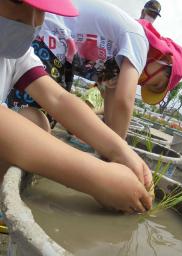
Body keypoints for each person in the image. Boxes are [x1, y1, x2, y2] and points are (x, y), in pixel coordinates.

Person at [0, 0, 153, 214]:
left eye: (42, 11)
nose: (33, 22)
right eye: (17, 2)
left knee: (37, 121)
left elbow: (58, 98)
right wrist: (97, 176)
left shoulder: (15, 53)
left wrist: (120, 150)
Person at [36, 0, 182, 140]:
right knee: (38, 120)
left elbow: (111, 101)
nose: (144, 84)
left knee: (48, 119)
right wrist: (118, 154)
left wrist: (109, 140)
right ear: (166, 60)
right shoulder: (139, 42)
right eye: (155, 84)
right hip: (49, 32)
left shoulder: (121, 62)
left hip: (59, 50)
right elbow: (124, 101)